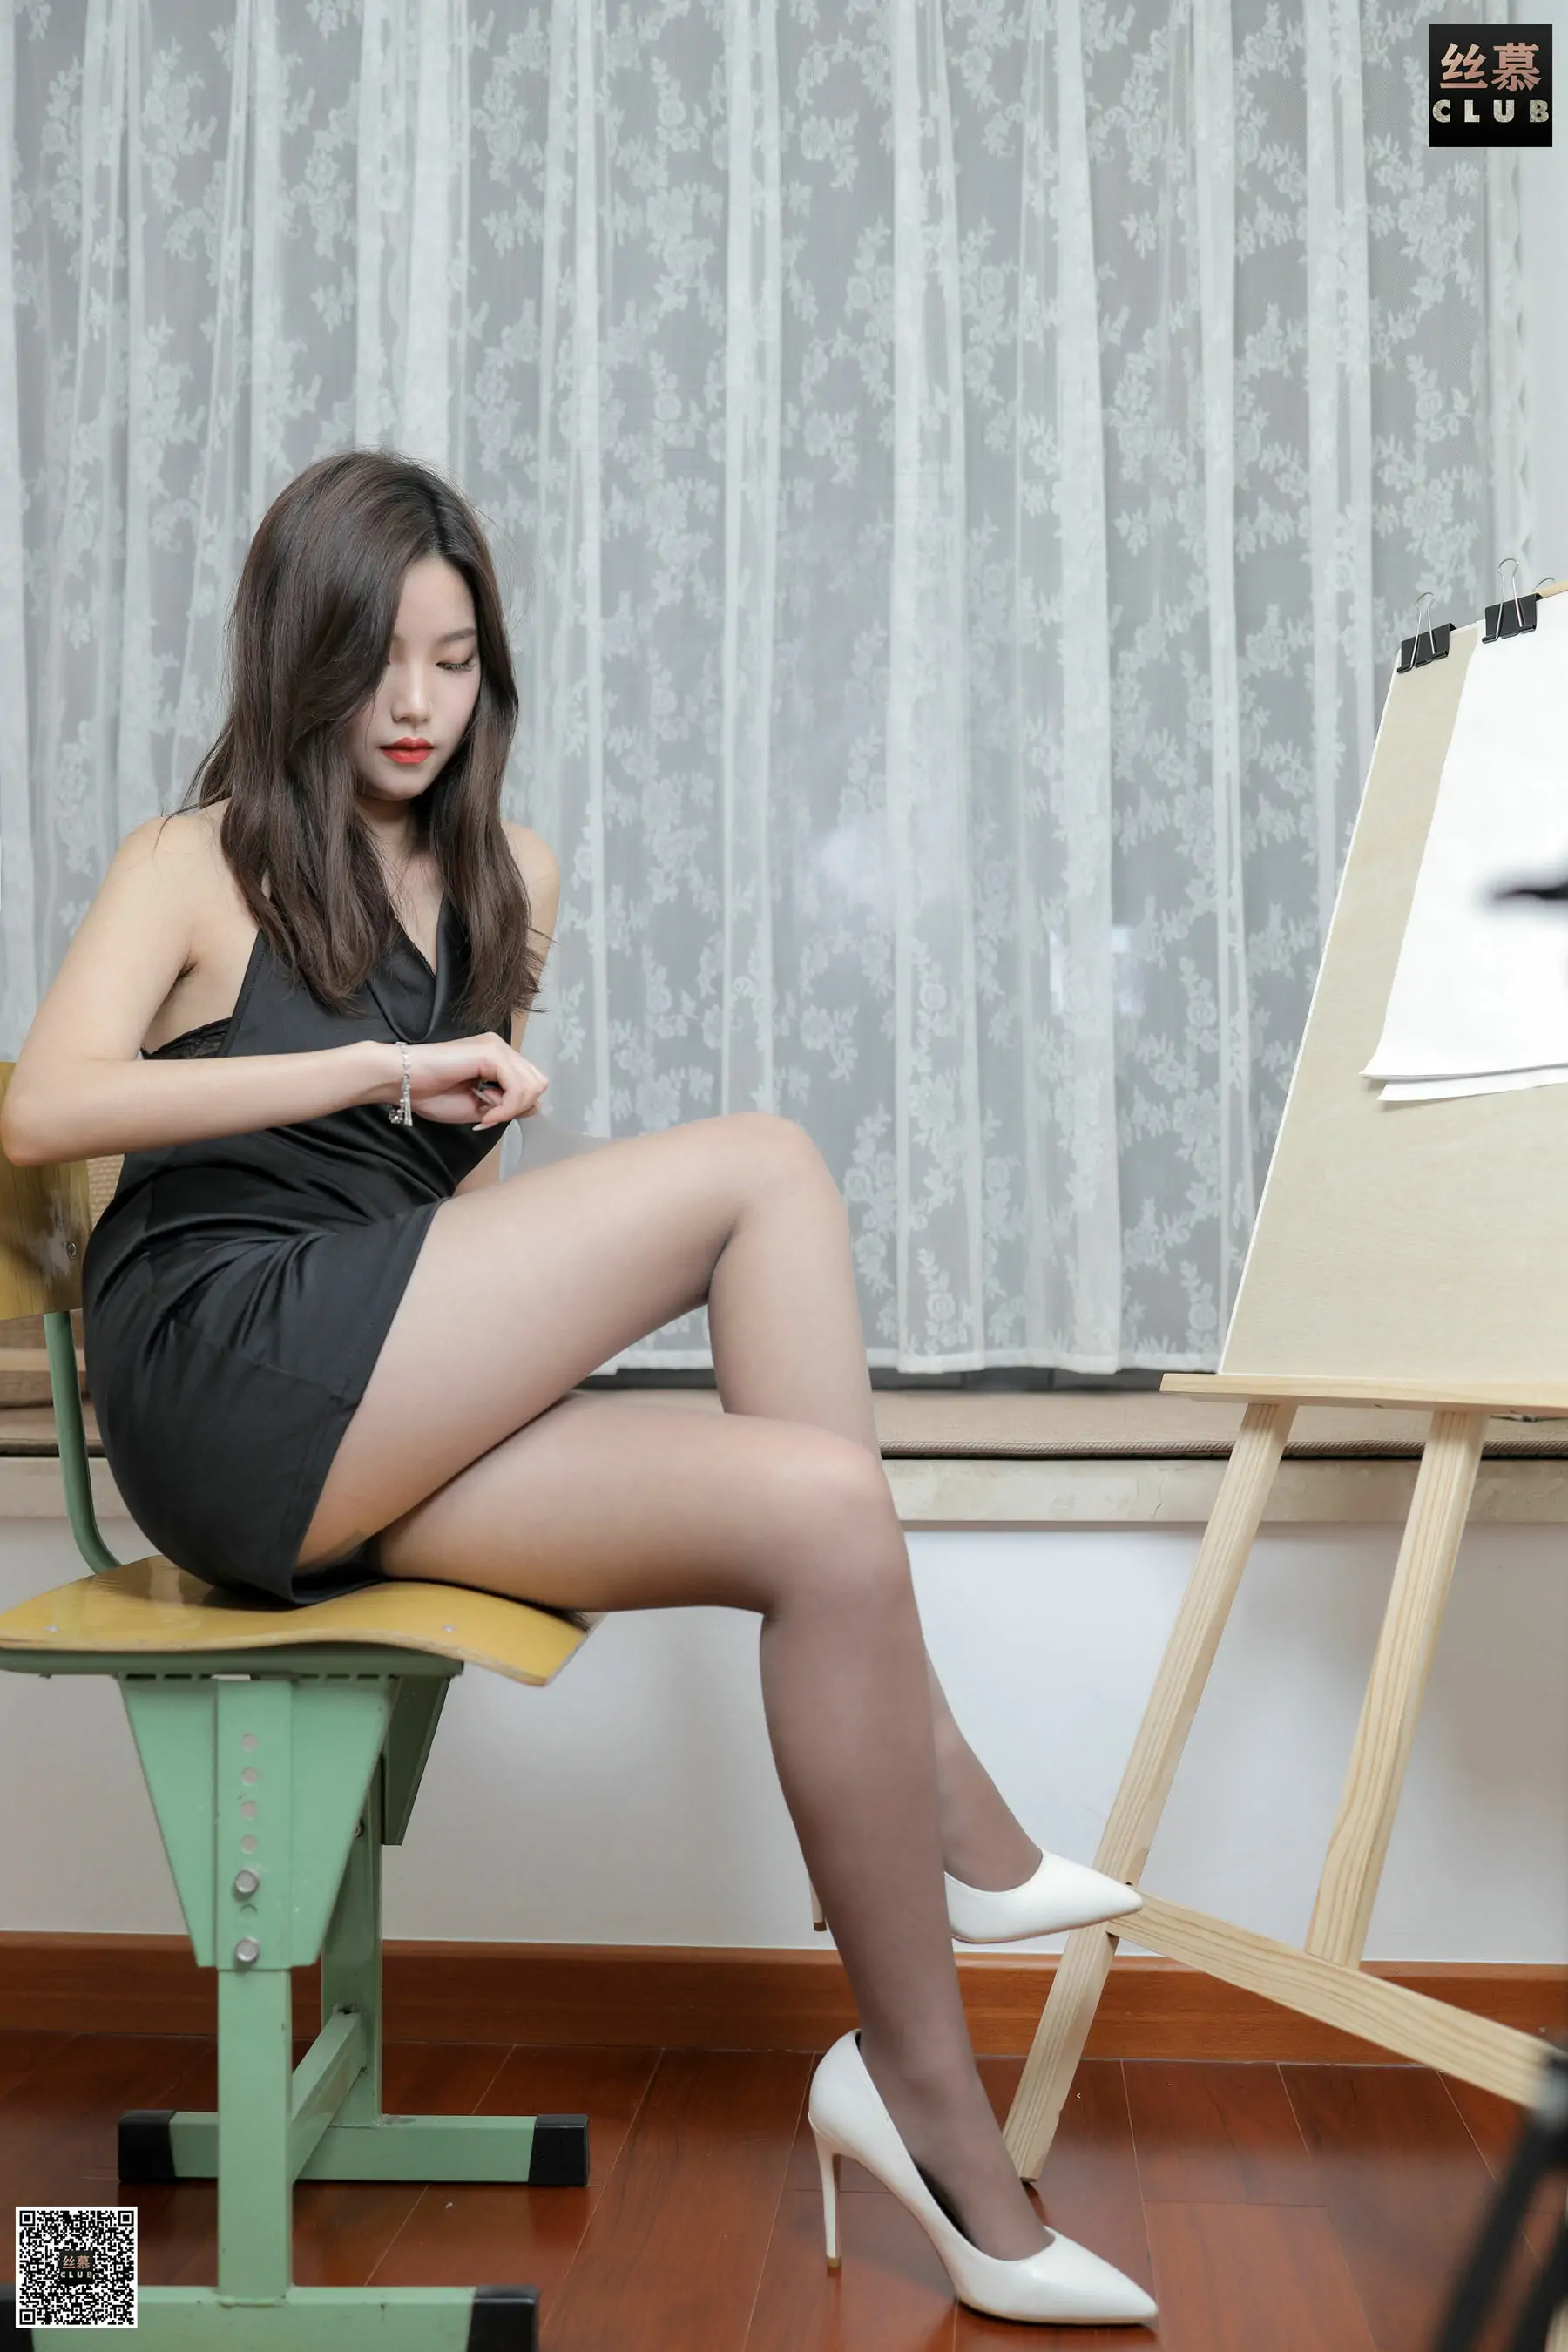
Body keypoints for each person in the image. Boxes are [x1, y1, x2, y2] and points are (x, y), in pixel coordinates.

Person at [0, 451, 1154, 2328]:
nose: (416, 703)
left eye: (455, 661)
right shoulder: (189, 863)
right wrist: (374, 1069)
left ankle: (920, 2100)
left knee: (823, 1518)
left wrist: (466, 1173)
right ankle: (946, 1783)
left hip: (375, 1398)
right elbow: (44, 1107)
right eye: (377, 659)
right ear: (298, 657)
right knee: (764, 1165)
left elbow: (452, 1236)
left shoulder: (509, 880)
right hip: (218, 1376)